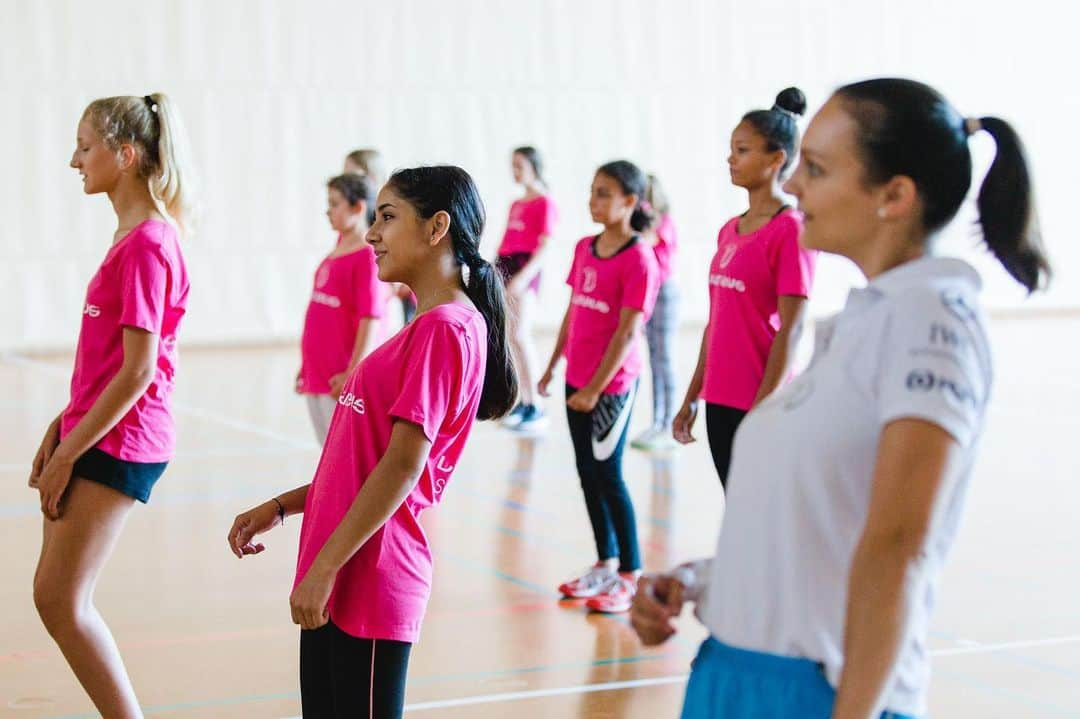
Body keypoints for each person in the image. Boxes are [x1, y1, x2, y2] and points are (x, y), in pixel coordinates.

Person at [631, 78, 1051, 719]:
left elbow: (898, 549)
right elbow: (818, 535)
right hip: (736, 676)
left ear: (895, 196)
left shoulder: (931, 324)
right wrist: (697, 582)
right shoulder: (861, 324)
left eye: (817, 169)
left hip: (818, 693)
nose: (794, 185)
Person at [228, 166, 516, 719]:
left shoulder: (446, 330)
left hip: (371, 579)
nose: (372, 233)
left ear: (437, 228)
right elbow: (362, 467)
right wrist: (283, 507)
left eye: (388, 217)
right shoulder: (427, 326)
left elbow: (404, 469)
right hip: (345, 573)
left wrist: (324, 570)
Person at [30, 92, 196, 718]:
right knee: (55, 597)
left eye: (85, 146)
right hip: (94, 429)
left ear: (125, 156)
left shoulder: (150, 244)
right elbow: (105, 363)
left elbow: (138, 371)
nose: (75, 160)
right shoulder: (130, 236)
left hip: (124, 439)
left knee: (60, 600)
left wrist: (70, 453)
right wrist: (61, 424)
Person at [673, 87, 817, 488]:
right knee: (737, 509)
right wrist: (692, 396)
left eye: (742, 150)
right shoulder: (727, 232)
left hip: (761, 401)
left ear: (776, 159)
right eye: (732, 149)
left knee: (766, 519)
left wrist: (764, 409)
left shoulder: (790, 230)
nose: (730, 159)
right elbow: (716, 322)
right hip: (720, 397)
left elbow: (793, 328)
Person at [539, 160, 659, 614]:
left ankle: (630, 572)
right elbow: (574, 312)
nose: (594, 201)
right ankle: (605, 562)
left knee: (609, 476)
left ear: (630, 201)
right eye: (592, 192)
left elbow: (628, 332)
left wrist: (595, 388)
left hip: (611, 389)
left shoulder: (639, 258)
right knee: (587, 475)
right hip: (575, 381)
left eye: (605, 193)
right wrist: (554, 367)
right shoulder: (584, 248)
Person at [296, 173, 384, 443]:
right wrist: (307, 365)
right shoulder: (339, 247)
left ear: (358, 208)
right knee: (326, 452)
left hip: (338, 378)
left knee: (342, 456)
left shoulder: (367, 257)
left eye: (334, 204)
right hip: (318, 372)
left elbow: (370, 317)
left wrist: (352, 372)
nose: (327, 211)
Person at [496, 146, 558, 434]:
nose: (514, 170)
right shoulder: (516, 203)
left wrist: (523, 277)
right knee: (510, 336)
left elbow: (545, 247)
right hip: (507, 265)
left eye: (520, 164)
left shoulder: (545, 202)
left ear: (534, 165)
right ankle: (524, 400)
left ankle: (537, 406)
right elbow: (507, 238)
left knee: (521, 335)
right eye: (512, 165)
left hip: (524, 267)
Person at [630, 174, 680, 451]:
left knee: (665, 359)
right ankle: (658, 421)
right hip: (650, 294)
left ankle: (668, 423)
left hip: (665, 294)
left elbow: (653, 248)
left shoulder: (664, 223)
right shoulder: (646, 222)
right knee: (654, 359)